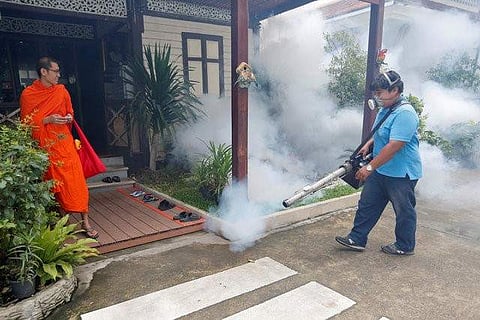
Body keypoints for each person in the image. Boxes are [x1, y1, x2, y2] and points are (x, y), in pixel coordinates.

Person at [335, 70, 422, 255]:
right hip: (382, 169)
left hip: (400, 173)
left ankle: (405, 246)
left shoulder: (406, 113)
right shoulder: (387, 107)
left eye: (380, 92)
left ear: (395, 90)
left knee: (403, 210)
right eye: (376, 93)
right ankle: (356, 238)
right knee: (367, 203)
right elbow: (382, 131)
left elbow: (394, 145)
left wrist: (370, 166)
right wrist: (369, 143)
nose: (377, 96)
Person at [20, 56, 99, 239]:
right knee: (55, 184)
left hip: (64, 143)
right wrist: (47, 120)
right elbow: (26, 124)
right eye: (55, 71)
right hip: (46, 147)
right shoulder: (28, 95)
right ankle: (63, 223)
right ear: (44, 72)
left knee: (77, 181)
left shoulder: (62, 91)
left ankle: (85, 222)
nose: (59, 75)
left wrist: (68, 117)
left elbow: (69, 111)